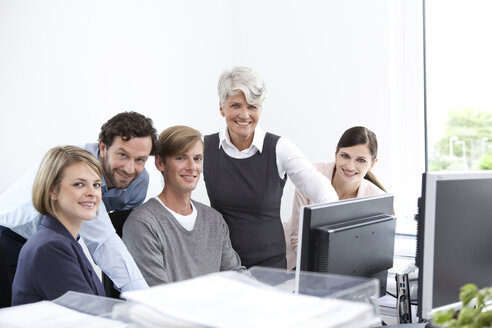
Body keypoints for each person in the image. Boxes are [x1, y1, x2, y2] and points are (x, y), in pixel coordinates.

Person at [0, 111, 157, 292]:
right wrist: (144, 297)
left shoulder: (138, 182)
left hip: (61, 239)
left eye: (140, 159)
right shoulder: (77, 167)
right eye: (122, 155)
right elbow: (103, 241)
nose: (130, 169)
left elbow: (119, 234)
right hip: (10, 237)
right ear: (103, 147)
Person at [203, 67, 338, 269]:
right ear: (222, 108)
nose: (244, 114)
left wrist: (335, 216)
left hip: (270, 267)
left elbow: (313, 181)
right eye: (235, 105)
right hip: (224, 266)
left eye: (252, 106)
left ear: (261, 109)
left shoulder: (279, 148)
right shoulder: (205, 148)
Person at [123, 125, 245, 285]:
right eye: (180, 158)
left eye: (197, 159)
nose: (191, 167)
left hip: (216, 308)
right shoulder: (143, 224)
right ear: (160, 163)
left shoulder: (214, 219)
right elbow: (158, 295)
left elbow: (236, 277)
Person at [12, 146, 106, 305]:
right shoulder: (50, 248)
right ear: (52, 190)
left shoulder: (63, 240)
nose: (92, 192)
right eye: (79, 184)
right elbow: (87, 317)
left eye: (96, 184)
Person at [286, 126, 387, 269]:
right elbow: (297, 239)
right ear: (336, 153)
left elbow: (370, 252)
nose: (350, 166)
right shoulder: (310, 176)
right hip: (295, 265)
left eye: (361, 160)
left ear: (373, 163)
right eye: (345, 156)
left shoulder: (376, 198)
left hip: (345, 271)